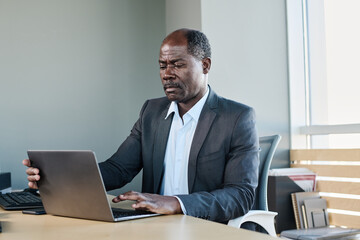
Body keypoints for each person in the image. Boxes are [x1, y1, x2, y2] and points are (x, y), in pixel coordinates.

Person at [23, 28, 259, 224]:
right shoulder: (152, 112)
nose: (167, 74)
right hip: (153, 226)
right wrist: (58, 177)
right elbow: (119, 169)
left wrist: (176, 203)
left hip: (203, 227)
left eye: (177, 64)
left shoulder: (237, 118)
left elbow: (240, 195)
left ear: (205, 65)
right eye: (162, 65)